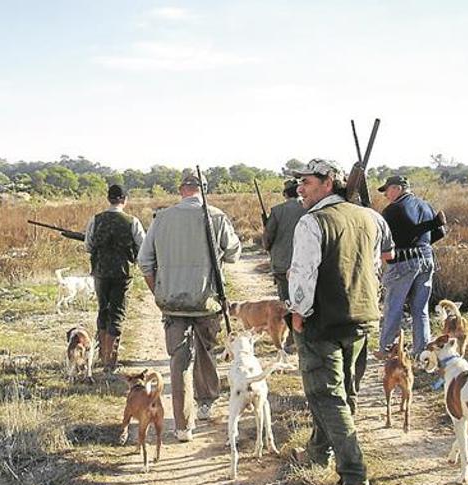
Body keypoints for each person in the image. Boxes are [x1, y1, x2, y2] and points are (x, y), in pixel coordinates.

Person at [287, 159, 390, 485]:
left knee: (327, 396)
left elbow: (303, 275)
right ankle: (319, 452)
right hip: (362, 318)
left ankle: (354, 476)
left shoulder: (311, 222)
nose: (300, 189)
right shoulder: (370, 217)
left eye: (307, 182)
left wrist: (298, 312)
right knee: (343, 393)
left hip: (323, 323)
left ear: (328, 183)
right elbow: (377, 267)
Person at [137, 170, 241, 442]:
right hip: (207, 302)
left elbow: (144, 262)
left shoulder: (161, 219)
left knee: (179, 360)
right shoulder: (216, 216)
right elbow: (234, 254)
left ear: (181, 189)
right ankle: (206, 404)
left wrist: (158, 292)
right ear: (204, 188)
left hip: (172, 304)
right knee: (206, 351)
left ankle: (183, 426)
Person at [374, 175, 442, 360]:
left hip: (403, 261)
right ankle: (421, 351)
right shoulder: (426, 206)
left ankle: (387, 349)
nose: (386, 195)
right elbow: (440, 232)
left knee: (393, 307)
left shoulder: (393, 209)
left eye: (387, 190)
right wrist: (421, 244)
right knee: (420, 309)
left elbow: (382, 239)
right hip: (427, 258)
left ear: (397, 188)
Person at [84, 184, 146, 371]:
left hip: (100, 273)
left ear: (108, 199)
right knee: (117, 313)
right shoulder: (132, 221)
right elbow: (143, 247)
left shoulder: (96, 219)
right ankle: (110, 361)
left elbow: (88, 246)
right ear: (124, 200)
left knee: (103, 310)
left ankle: (102, 355)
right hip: (122, 273)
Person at [262, 178, 306, 301]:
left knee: (285, 302)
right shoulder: (309, 208)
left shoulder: (277, 210)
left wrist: (267, 247)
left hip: (282, 264)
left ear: (285, 194)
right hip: (304, 263)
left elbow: (268, 237)